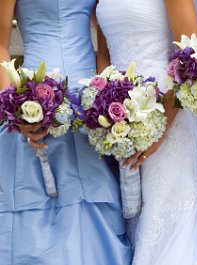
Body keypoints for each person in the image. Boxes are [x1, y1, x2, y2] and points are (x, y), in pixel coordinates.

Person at [0, 1, 131, 264]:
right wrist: (14, 110)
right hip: (33, 97)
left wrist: (106, 99)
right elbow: (0, 45)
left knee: (93, 200)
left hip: (88, 104)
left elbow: (104, 47)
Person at [96, 0, 197, 264]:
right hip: (120, 116)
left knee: (164, 214)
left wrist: (160, 127)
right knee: (136, 216)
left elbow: (192, 58)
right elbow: (104, 53)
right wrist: (107, 105)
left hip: (167, 107)